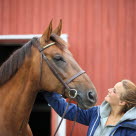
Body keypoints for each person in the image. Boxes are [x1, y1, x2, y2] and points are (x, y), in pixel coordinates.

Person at [43, 79, 136, 136]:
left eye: (114, 91)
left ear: (122, 102)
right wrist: (47, 88)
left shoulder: (132, 128)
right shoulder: (96, 113)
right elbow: (66, 110)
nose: (109, 90)